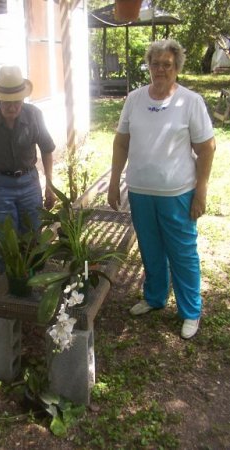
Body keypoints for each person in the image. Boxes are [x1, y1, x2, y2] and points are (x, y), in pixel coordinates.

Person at [107, 39, 216, 339]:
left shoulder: (190, 102)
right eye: (156, 64)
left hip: (177, 193)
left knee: (182, 253)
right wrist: (114, 181)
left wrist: (201, 190)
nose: (161, 69)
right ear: (149, 66)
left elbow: (207, 148)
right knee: (150, 249)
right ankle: (155, 297)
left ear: (176, 67)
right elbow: (121, 142)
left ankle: (191, 311)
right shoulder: (135, 99)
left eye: (167, 64)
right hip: (140, 191)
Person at [0, 65, 56, 272]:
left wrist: (50, 185)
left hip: (29, 181)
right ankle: (9, 289)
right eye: (7, 102)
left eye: (17, 102)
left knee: (33, 234)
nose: (13, 107)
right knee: (6, 240)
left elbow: (47, 149)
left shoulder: (34, 115)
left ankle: (35, 282)